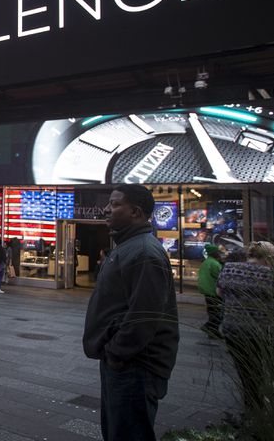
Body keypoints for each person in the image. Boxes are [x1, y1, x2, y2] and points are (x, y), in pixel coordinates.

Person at [82, 184, 179, 441]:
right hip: (123, 364)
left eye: (114, 204)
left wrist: (116, 353)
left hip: (135, 367)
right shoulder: (128, 247)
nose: (106, 209)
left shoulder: (145, 252)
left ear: (135, 212)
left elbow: (144, 317)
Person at [217, 241, 274, 411]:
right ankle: (258, 409)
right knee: (261, 371)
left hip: (233, 330)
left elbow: (219, 292)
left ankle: (251, 406)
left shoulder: (229, 269)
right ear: (269, 259)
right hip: (262, 332)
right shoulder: (273, 276)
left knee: (245, 371)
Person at [197, 243, 224, 338]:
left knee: (212, 311)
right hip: (213, 291)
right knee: (217, 313)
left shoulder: (206, 262)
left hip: (207, 291)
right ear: (215, 254)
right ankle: (209, 327)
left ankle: (213, 331)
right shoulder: (214, 264)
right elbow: (221, 277)